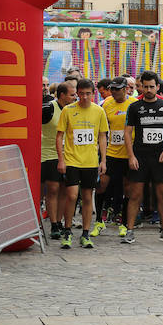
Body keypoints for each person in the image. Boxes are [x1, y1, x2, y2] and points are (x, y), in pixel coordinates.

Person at [123, 70, 163, 244]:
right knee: (135, 194)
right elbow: (128, 132)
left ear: (157, 87)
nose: (148, 90)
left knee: (162, 194)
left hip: (160, 156)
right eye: (145, 87)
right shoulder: (134, 107)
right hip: (140, 156)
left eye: (151, 87)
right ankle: (129, 231)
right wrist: (131, 156)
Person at [56, 79, 108, 249]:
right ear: (77, 93)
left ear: (93, 94)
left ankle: (86, 233)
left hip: (90, 162)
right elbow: (59, 136)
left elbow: (102, 136)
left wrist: (103, 160)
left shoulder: (99, 111)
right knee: (71, 196)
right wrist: (61, 159)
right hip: (71, 160)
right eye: (82, 93)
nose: (85, 97)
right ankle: (67, 230)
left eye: (88, 94)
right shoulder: (68, 110)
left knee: (87, 197)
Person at [98, 77, 136, 239]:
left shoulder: (133, 104)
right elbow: (103, 131)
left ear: (126, 89)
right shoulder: (106, 104)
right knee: (102, 184)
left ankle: (124, 223)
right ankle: (99, 221)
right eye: (112, 89)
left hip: (129, 153)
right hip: (111, 152)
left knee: (128, 188)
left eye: (117, 89)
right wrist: (102, 156)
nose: (114, 92)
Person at [42, 82, 74, 239]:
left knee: (64, 189)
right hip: (48, 154)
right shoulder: (48, 108)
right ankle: (53, 223)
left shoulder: (73, 110)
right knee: (53, 188)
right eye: (72, 95)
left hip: (67, 154)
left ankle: (59, 222)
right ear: (62, 95)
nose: (75, 98)